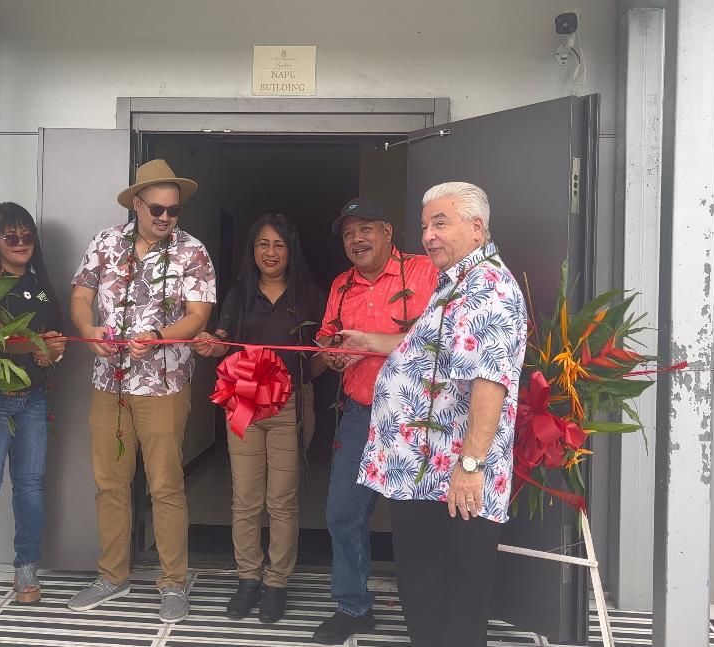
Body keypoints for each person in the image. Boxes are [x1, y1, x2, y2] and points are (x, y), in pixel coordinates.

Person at [340, 182, 528, 646]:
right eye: (425, 226)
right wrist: (370, 342)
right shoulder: (457, 284)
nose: (429, 235)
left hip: (451, 478)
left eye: (440, 223)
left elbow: (491, 382)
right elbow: (429, 353)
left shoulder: (489, 289)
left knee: (456, 601)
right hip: (422, 474)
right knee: (426, 592)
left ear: (477, 226)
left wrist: (470, 467)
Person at [66, 159, 216, 623]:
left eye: (174, 211)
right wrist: (88, 331)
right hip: (108, 382)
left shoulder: (193, 251)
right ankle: (112, 575)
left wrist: (160, 337)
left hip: (164, 383)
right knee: (109, 482)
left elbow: (198, 315)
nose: (166, 218)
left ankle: (173, 580)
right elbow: (80, 295)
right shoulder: (105, 242)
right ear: (136, 204)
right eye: (157, 208)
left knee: (166, 485)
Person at [312, 197, 438, 644]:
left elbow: (440, 337)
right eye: (348, 234)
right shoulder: (341, 285)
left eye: (366, 229)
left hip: (417, 415)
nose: (356, 240)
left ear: (388, 232)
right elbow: (326, 338)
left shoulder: (425, 271)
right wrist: (331, 354)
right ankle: (352, 606)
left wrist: (375, 340)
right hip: (359, 413)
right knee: (342, 514)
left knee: (421, 522)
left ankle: (431, 611)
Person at [194, 213, 326, 624]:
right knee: (245, 499)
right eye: (262, 245)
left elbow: (320, 354)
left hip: (291, 407)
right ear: (253, 251)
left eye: (279, 245)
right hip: (246, 403)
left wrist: (295, 384)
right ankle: (248, 578)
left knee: (282, 501)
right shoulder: (239, 293)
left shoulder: (308, 294)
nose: (270, 253)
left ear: (291, 251)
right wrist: (211, 346)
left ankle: (276, 583)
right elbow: (223, 340)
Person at [0, 201, 67, 612]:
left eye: (27, 236)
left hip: (34, 399)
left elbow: (55, 340)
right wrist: (35, 346)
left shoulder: (41, 283)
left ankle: (27, 568)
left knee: (31, 487)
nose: (21, 243)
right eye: (12, 237)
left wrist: (52, 353)